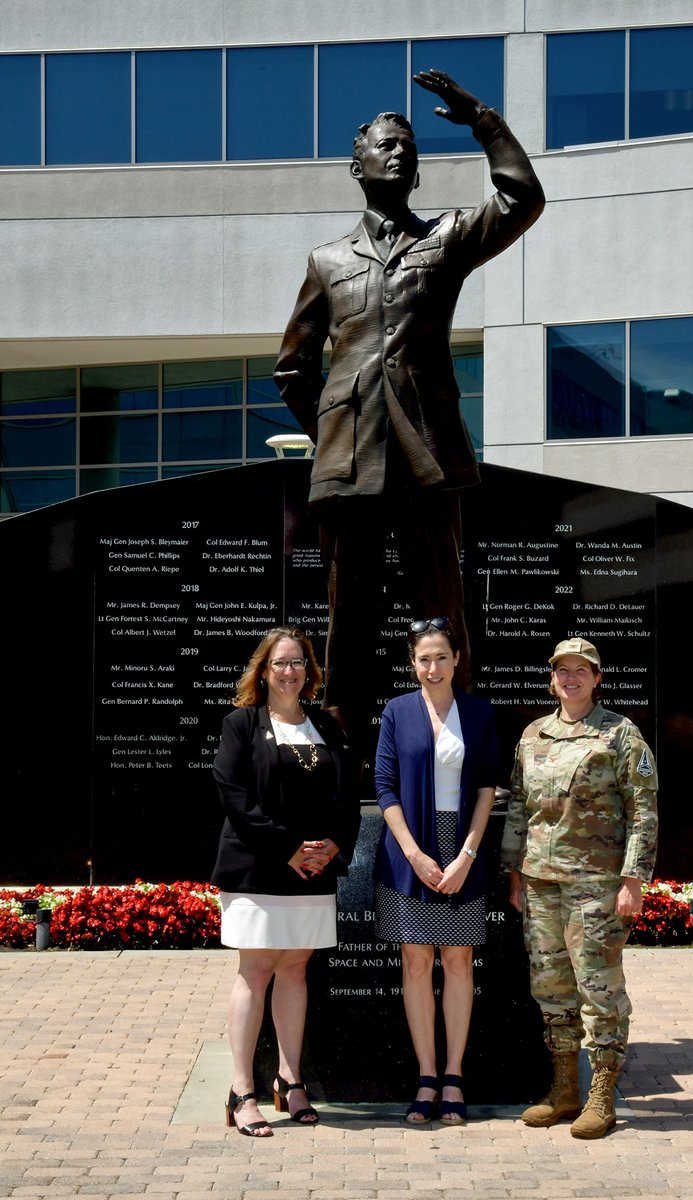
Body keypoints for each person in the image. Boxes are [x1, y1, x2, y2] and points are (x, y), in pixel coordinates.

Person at [274, 69, 544, 743]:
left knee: (440, 610)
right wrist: (336, 429)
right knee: (350, 616)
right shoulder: (327, 260)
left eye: (409, 148)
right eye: (385, 144)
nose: (399, 153)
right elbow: (293, 367)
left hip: (426, 458)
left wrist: (481, 118)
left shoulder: (446, 238)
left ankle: (459, 743)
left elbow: (520, 198)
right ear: (355, 165)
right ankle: (341, 752)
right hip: (351, 466)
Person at [501, 638, 658, 1139]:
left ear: (596, 678)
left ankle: (601, 1094)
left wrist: (633, 880)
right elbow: (520, 806)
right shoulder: (534, 734)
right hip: (541, 883)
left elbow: (643, 810)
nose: (570, 678)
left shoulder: (620, 735)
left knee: (599, 989)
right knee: (550, 987)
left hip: (597, 886)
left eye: (580, 671)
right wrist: (515, 872)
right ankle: (564, 1087)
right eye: (561, 671)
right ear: (552, 678)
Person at [211, 626, 360, 1136]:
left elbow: (347, 794)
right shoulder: (241, 724)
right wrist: (288, 848)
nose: (289, 672)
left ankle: (290, 1080)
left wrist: (335, 845)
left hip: (313, 870)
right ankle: (241, 1089)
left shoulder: (326, 724)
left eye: (298, 662)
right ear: (263, 670)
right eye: (280, 663)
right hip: (257, 866)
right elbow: (233, 795)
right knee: (256, 971)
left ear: (309, 671)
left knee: (296, 969)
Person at [374, 618, 498, 1124]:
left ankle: (453, 1075)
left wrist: (466, 854)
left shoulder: (478, 711)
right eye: (423, 658)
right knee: (417, 964)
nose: (433, 667)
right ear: (413, 663)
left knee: (459, 961)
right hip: (411, 849)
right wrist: (414, 855)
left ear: (456, 660)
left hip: (462, 845)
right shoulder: (397, 712)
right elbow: (385, 786)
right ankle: (426, 1076)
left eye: (441, 656)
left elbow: (488, 787)